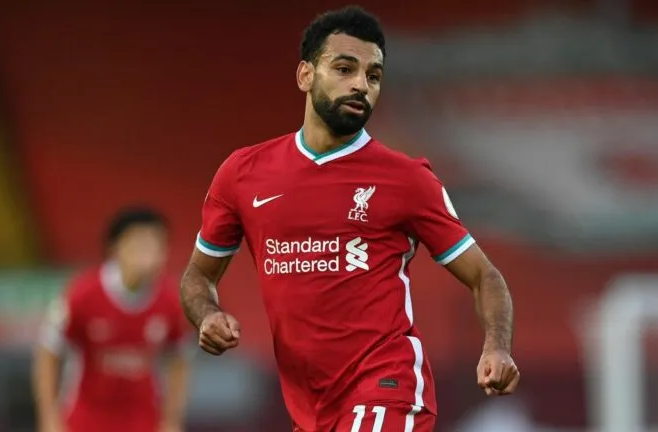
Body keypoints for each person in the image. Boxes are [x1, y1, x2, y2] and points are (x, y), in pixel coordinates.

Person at [180, 6, 519, 432]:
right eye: (345, 69)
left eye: (373, 76)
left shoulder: (407, 178)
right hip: (310, 407)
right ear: (305, 75)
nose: (361, 84)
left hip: (387, 386)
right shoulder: (242, 174)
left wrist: (497, 347)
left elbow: (485, 276)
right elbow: (198, 275)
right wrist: (207, 314)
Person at [32, 207, 191, 432]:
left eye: (156, 244)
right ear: (115, 248)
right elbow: (48, 350)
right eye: (140, 244)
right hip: (85, 419)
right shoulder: (82, 294)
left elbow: (179, 358)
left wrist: (172, 420)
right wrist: (49, 418)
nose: (148, 253)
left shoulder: (172, 301)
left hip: (143, 421)